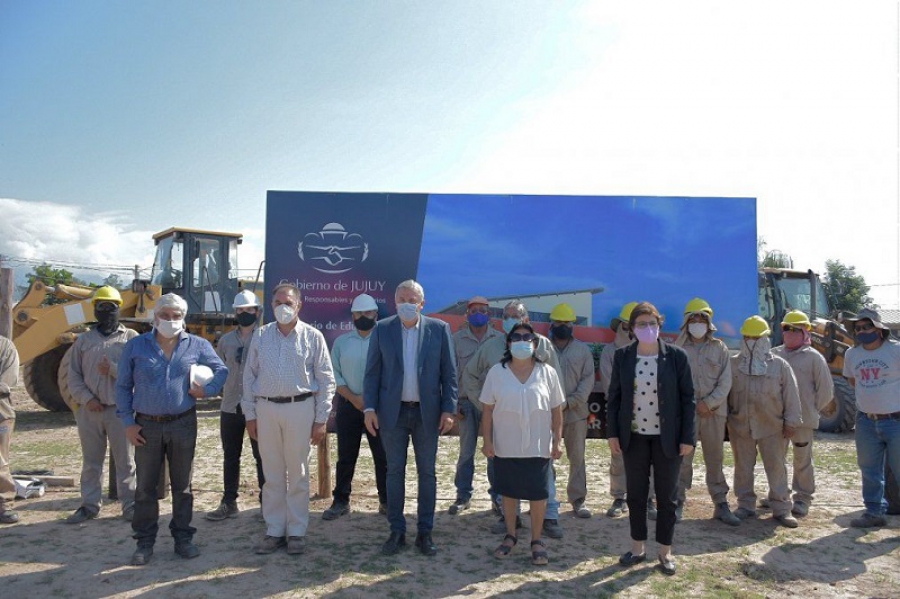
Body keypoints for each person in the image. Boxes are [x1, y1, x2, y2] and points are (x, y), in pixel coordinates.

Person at [117, 293, 227, 566]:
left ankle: (183, 538)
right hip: (146, 425)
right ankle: (144, 542)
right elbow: (122, 386)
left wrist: (207, 390)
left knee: (183, 485)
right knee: (145, 487)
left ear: (183, 318)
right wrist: (128, 423)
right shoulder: (136, 346)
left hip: (183, 423)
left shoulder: (197, 345)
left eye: (176, 316)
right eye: (164, 315)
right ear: (155, 317)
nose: (170, 320)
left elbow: (221, 369)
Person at [363, 280, 457, 557]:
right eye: (402, 299)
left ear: (422, 304)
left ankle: (425, 532)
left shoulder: (439, 329)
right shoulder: (382, 329)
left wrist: (448, 409)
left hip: (427, 413)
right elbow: (372, 373)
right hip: (392, 414)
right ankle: (397, 531)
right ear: (395, 302)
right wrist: (369, 409)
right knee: (394, 472)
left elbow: (449, 374)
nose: (406, 303)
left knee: (427, 473)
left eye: (412, 299)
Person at [243, 283, 335, 555]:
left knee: (298, 473)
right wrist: (250, 414)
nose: (282, 307)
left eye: (288, 303)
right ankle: (274, 530)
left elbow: (326, 380)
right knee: (271, 473)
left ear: (299, 305)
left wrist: (321, 419)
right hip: (266, 408)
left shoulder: (313, 336)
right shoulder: (261, 336)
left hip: (300, 408)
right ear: (271, 305)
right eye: (277, 303)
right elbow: (249, 377)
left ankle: (296, 531)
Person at [607, 302, 695, 576]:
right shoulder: (623, 356)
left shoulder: (677, 357)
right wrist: (612, 433)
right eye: (642, 324)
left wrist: (687, 437)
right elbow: (614, 397)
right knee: (636, 494)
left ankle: (665, 552)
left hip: (668, 438)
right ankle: (637, 549)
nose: (648, 328)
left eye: (652, 323)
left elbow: (688, 399)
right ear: (632, 328)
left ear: (660, 325)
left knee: (667, 497)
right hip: (634, 437)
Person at [462, 300, 563, 537]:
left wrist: (555, 430)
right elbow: (470, 375)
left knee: (543, 475)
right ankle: (509, 518)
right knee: (502, 474)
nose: (510, 320)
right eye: (506, 316)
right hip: (503, 427)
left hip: (537, 427)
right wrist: (487, 405)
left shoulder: (543, 345)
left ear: (526, 320)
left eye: (515, 316)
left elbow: (555, 387)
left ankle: (549, 517)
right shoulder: (490, 347)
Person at [481, 323, 564, 566]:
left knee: (538, 494)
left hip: (538, 446)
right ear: (508, 343)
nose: (521, 340)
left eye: (527, 337)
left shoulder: (547, 372)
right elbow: (487, 410)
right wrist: (487, 441)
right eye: (516, 337)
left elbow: (557, 411)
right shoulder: (497, 372)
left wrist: (557, 441)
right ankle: (510, 535)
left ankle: (536, 540)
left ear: (535, 344)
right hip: (506, 445)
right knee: (508, 492)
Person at [66, 286, 138, 525]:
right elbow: (73, 375)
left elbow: (139, 374)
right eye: (101, 306)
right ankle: (89, 506)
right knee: (91, 462)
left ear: (119, 308)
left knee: (126, 462)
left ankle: (130, 505)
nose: (106, 311)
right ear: (95, 309)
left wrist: (113, 370)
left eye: (111, 306)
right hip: (90, 411)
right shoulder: (83, 341)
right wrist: (87, 399)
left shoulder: (131, 339)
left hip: (120, 410)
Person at [726, 315, 802, 529]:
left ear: (765, 339)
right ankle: (745, 505)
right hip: (741, 426)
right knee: (742, 467)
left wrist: (791, 422)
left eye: (756, 337)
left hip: (772, 426)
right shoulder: (733, 365)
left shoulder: (780, 366)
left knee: (776, 467)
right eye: (748, 337)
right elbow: (725, 395)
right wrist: (725, 422)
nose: (752, 341)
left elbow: (791, 396)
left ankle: (782, 508)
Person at [673, 298, 737, 526]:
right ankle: (677, 502)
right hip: (686, 414)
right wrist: (691, 405)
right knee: (682, 458)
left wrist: (708, 403)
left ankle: (721, 504)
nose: (697, 323)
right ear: (686, 322)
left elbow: (725, 382)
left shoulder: (720, 348)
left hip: (713, 413)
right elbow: (672, 382)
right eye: (693, 319)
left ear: (709, 322)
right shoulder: (677, 349)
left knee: (715, 458)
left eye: (702, 319)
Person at [323, 293, 387, 520]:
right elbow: (334, 373)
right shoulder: (342, 342)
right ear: (352, 316)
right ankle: (341, 501)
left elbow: (392, 373)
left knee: (382, 456)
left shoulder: (386, 340)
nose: (363, 317)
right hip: (348, 406)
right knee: (346, 456)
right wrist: (353, 397)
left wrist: (370, 401)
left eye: (367, 313)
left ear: (375, 314)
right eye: (358, 313)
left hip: (378, 408)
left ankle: (386, 501)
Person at [205, 290, 265, 521]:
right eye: (240, 310)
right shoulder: (226, 341)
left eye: (249, 309)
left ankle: (267, 503)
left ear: (257, 312)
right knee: (231, 456)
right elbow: (218, 369)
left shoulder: (265, 338)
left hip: (257, 408)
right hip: (230, 405)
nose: (244, 313)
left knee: (262, 456)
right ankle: (229, 502)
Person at [770, 310, 833, 518]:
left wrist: (810, 410)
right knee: (776, 459)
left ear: (805, 332)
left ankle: (802, 498)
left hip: (803, 421)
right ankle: (779, 495)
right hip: (776, 420)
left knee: (802, 460)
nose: (790, 333)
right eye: (787, 328)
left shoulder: (814, 358)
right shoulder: (774, 354)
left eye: (795, 329)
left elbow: (826, 392)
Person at [842, 308, 900, 528]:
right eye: (858, 328)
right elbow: (852, 381)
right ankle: (874, 512)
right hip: (865, 421)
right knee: (869, 470)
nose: (862, 331)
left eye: (867, 326)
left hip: (895, 420)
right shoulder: (852, 354)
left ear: (879, 329)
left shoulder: (895, 350)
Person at [448, 295, 503, 515]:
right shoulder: (456, 339)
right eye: (473, 311)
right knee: (466, 452)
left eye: (482, 310)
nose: (478, 314)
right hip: (466, 403)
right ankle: (463, 496)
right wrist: (453, 403)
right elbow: (450, 372)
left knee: (494, 452)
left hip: (493, 405)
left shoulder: (500, 339)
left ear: (489, 314)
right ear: (467, 314)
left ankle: (497, 497)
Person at [548, 303, 595, 519]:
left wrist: (570, 402)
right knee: (545, 457)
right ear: (552, 323)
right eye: (559, 322)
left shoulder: (583, 350)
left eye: (567, 323)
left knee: (577, 457)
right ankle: (546, 499)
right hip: (547, 413)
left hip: (576, 413)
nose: (563, 326)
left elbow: (587, 381)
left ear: (573, 325)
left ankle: (578, 499)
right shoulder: (543, 349)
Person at [599, 302, 642, 519]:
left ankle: (648, 499)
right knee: (618, 455)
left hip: (649, 411)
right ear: (620, 326)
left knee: (650, 455)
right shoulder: (609, 352)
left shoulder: (651, 350)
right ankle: (619, 497)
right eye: (627, 325)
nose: (630, 330)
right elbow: (610, 386)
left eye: (635, 325)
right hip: (620, 411)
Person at [0, 335, 19, 525]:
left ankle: (3, 504)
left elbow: (7, 381)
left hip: (1, 413)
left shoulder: (5, 347)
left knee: (0, 462)